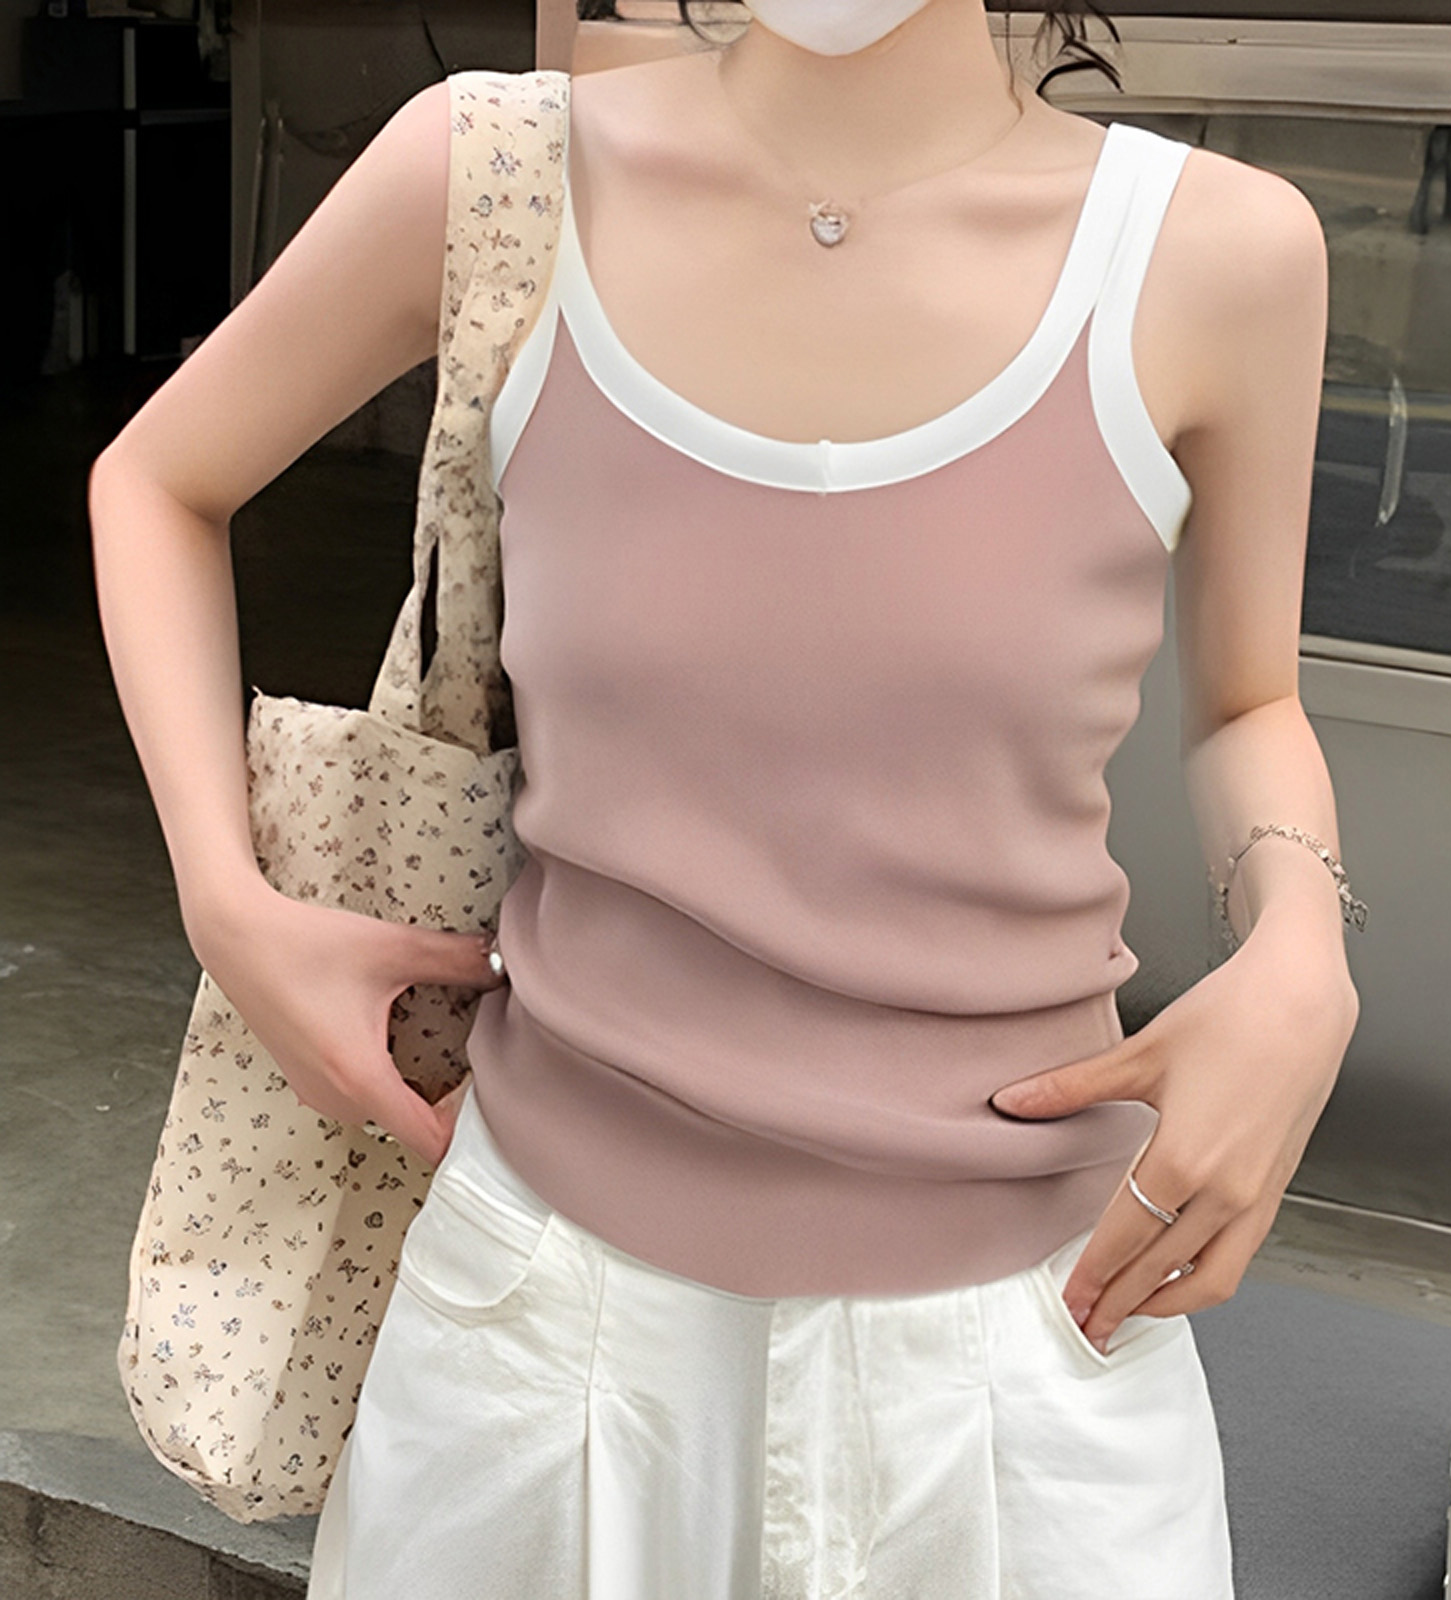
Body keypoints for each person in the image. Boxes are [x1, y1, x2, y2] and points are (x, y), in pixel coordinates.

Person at [89, 0, 1362, 1593]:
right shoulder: (495, 177)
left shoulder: (1218, 252)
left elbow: (1249, 703)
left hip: (1026, 1366)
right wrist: (225, 900)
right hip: (531, 1339)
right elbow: (155, 479)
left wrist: (1302, 946)